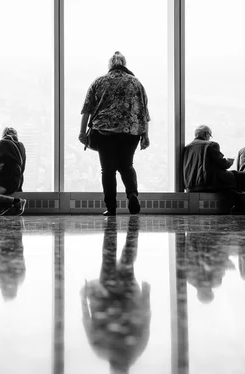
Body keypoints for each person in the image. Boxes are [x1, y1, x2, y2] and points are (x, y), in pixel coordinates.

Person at [78, 52, 150, 216]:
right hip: (130, 132)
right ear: (124, 64)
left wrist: (82, 133)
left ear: (110, 65)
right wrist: (146, 136)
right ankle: (132, 194)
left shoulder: (99, 81)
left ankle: (111, 208)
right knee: (126, 165)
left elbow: (87, 110)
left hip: (104, 131)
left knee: (108, 170)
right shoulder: (136, 83)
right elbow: (144, 113)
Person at [81, 217, 151, 373]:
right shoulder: (103, 349)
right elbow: (145, 320)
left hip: (120, 295)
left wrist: (146, 296)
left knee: (126, 260)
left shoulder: (136, 347)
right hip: (114, 295)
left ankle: (129, 229)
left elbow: (145, 319)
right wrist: (84, 298)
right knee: (111, 258)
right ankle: (118, 228)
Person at [183, 125, 245, 214]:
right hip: (210, 182)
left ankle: (239, 198)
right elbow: (223, 164)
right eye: (209, 136)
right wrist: (229, 162)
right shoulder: (211, 145)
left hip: (191, 186)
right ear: (206, 134)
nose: (209, 138)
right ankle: (241, 203)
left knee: (232, 185)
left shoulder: (187, 148)